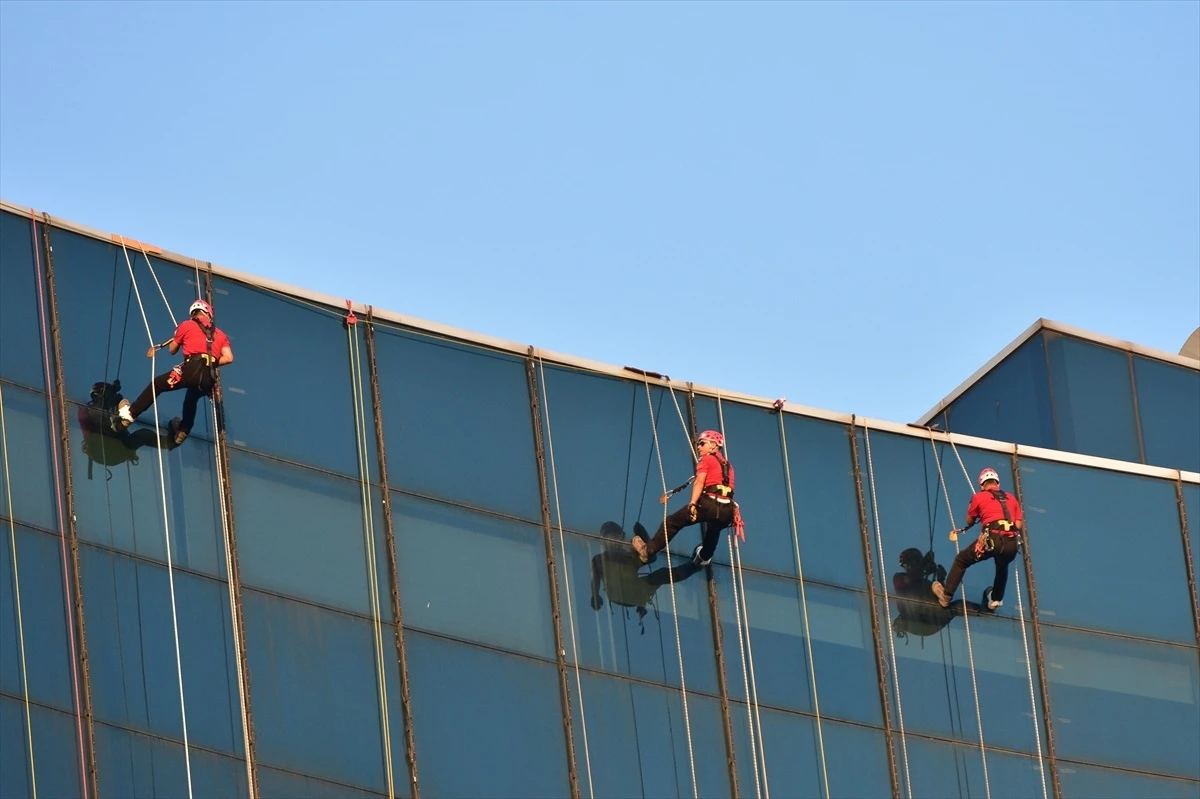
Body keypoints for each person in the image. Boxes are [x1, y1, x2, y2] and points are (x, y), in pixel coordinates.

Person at [118, 299, 233, 445]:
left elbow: (172, 350)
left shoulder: (186, 325)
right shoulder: (221, 334)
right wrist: (213, 361)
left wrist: (178, 336)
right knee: (192, 397)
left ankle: (130, 414)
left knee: (158, 385)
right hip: (209, 376)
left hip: (192, 367)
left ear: (193, 314)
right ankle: (183, 431)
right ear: (208, 314)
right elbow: (229, 358)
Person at [631, 429, 736, 566]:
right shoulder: (729, 467)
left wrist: (692, 503)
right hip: (728, 510)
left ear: (713, 445)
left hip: (709, 504)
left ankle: (648, 551)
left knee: (671, 523)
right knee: (713, 529)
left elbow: (699, 482)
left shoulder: (707, 459)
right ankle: (704, 557)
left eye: (702, 443)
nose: (698, 447)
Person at [932, 468, 1023, 611]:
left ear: (982, 485)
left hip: (992, 539)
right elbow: (1018, 525)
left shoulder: (979, 497)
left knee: (962, 560)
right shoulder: (1012, 498)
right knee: (1002, 566)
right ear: (997, 483)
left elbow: (969, 520)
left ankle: (946, 595)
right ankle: (995, 600)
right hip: (1011, 543)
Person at [590, 522, 701, 628]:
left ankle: (694, 565)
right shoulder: (602, 559)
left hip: (630, 592)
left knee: (660, 574)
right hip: (625, 592)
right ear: (606, 540)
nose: (617, 540)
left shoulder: (623, 557)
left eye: (619, 537)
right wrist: (595, 594)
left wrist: (642, 535)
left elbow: (650, 557)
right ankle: (694, 566)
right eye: (614, 537)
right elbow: (595, 578)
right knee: (661, 575)